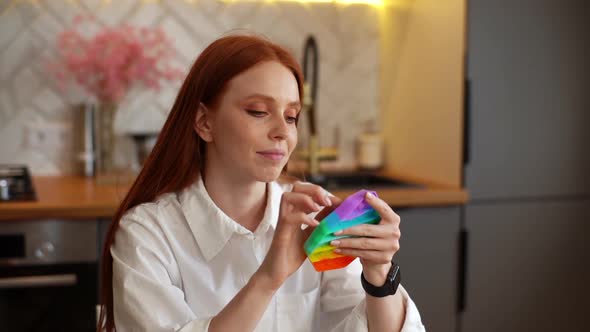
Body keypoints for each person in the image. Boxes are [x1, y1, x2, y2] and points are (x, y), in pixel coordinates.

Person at [98, 34, 426, 332]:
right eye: (258, 111)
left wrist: (379, 273)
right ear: (204, 122)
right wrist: (269, 278)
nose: (282, 132)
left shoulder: (314, 222)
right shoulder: (146, 234)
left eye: (291, 116)